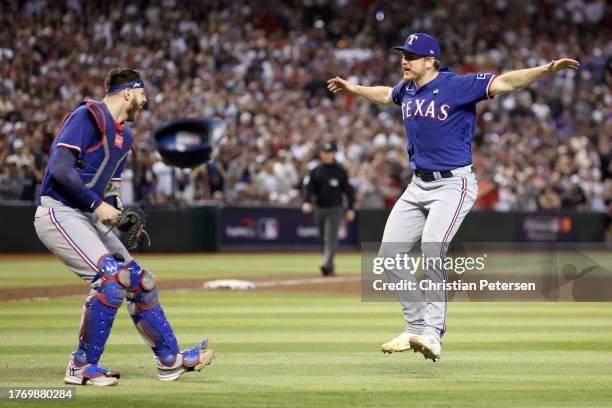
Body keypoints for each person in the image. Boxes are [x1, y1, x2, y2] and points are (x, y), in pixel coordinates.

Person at [328, 33, 578, 361]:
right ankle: (415, 325)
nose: (405, 60)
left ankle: (432, 333)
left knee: (432, 248)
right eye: (404, 54)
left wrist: (544, 70)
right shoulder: (406, 89)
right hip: (418, 185)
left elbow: (505, 83)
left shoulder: (456, 86)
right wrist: (354, 89)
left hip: (453, 184)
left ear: (431, 60)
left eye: (413, 55)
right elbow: (384, 95)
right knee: (388, 255)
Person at [33, 68, 214, 386]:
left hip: (87, 216)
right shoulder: (87, 116)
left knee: (141, 282)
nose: (145, 101)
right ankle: (81, 367)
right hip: (59, 212)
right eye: (143, 93)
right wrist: (96, 205)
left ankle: (169, 360)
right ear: (128, 92)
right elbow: (59, 169)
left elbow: (110, 190)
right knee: (110, 281)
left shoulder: (124, 137)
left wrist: (119, 214)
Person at [302, 141, 356, 276]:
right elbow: (308, 189)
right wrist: (307, 201)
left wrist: (350, 208)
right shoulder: (315, 171)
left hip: (335, 209)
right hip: (319, 208)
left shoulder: (340, 171)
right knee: (323, 237)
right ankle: (329, 265)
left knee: (330, 237)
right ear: (321, 154)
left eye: (329, 152)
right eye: (325, 152)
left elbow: (349, 191)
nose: (327, 155)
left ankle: (326, 264)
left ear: (333, 154)